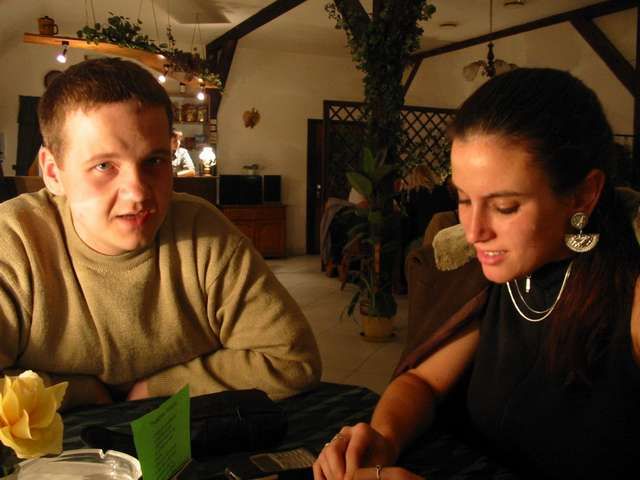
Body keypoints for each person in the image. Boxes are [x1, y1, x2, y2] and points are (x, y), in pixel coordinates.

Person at [314, 68, 640, 480]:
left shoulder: (631, 303)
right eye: (464, 199)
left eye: (505, 207)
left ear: (583, 195)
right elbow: (422, 383)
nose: (473, 232)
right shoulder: (496, 279)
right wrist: (384, 437)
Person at [0, 57, 321, 410]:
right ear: (53, 172)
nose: (138, 193)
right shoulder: (13, 240)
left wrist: (159, 388)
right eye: (104, 165)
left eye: (154, 161)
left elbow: (293, 361)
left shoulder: (205, 235)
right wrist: (77, 392)